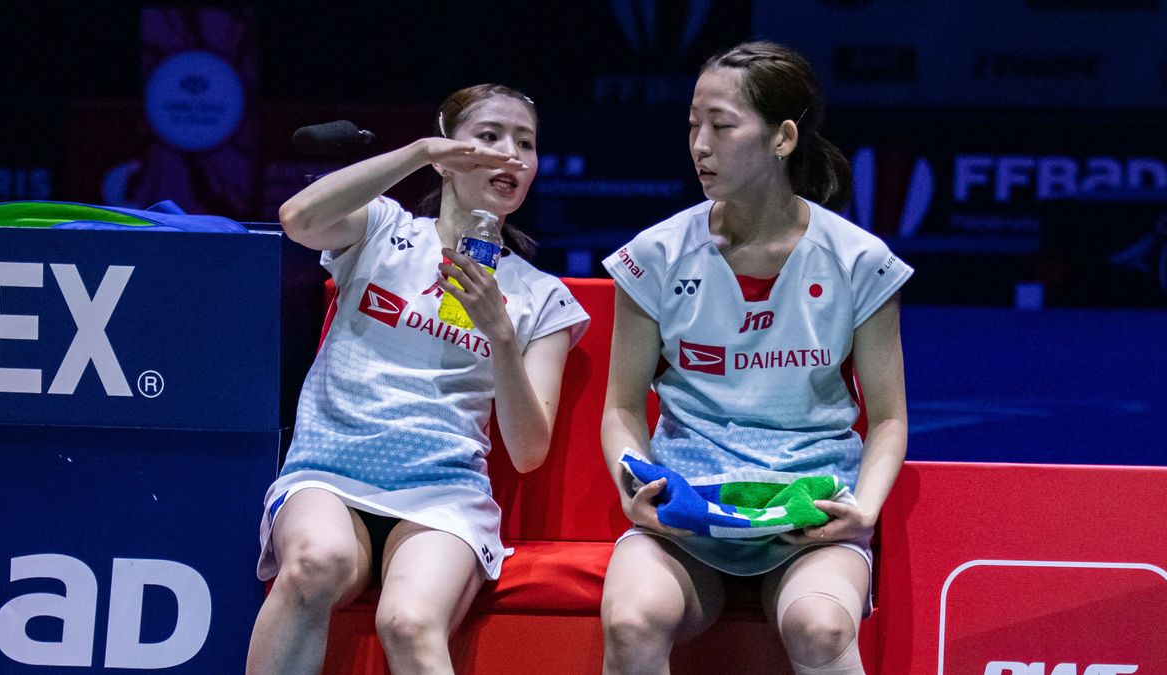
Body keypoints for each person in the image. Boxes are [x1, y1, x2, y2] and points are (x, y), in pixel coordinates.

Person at [246, 84, 590, 675]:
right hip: (329, 472)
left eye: (525, 144)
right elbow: (298, 219)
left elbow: (529, 450)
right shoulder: (382, 229)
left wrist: (500, 333)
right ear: (448, 153)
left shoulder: (540, 295)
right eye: (488, 137)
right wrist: (413, 153)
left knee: (408, 621)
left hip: (443, 494)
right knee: (315, 565)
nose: (510, 154)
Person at [599, 41, 912, 675]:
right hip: (688, 512)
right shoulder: (654, 256)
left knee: (821, 628)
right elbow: (622, 407)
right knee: (632, 622)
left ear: (783, 137)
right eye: (692, 124)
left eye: (721, 124)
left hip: (809, 512)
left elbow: (889, 420)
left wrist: (862, 514)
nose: (699, 144)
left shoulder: (858, 261)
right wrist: (635, 482)